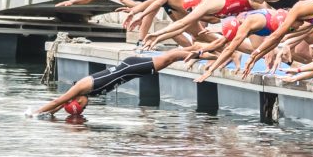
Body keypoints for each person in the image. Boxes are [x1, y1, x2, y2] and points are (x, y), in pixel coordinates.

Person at [31, 48, 195, 118]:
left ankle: (203, 53)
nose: (87, 106)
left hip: (130, 66)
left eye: (83, 107)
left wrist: (35, 113)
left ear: (78, 101)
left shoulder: (81, 87)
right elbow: (61, 103)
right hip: (132, 71)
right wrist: (50, 114)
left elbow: (57, 101)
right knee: (169, 58)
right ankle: (201, 49)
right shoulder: (82, 94)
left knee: (171, 57)